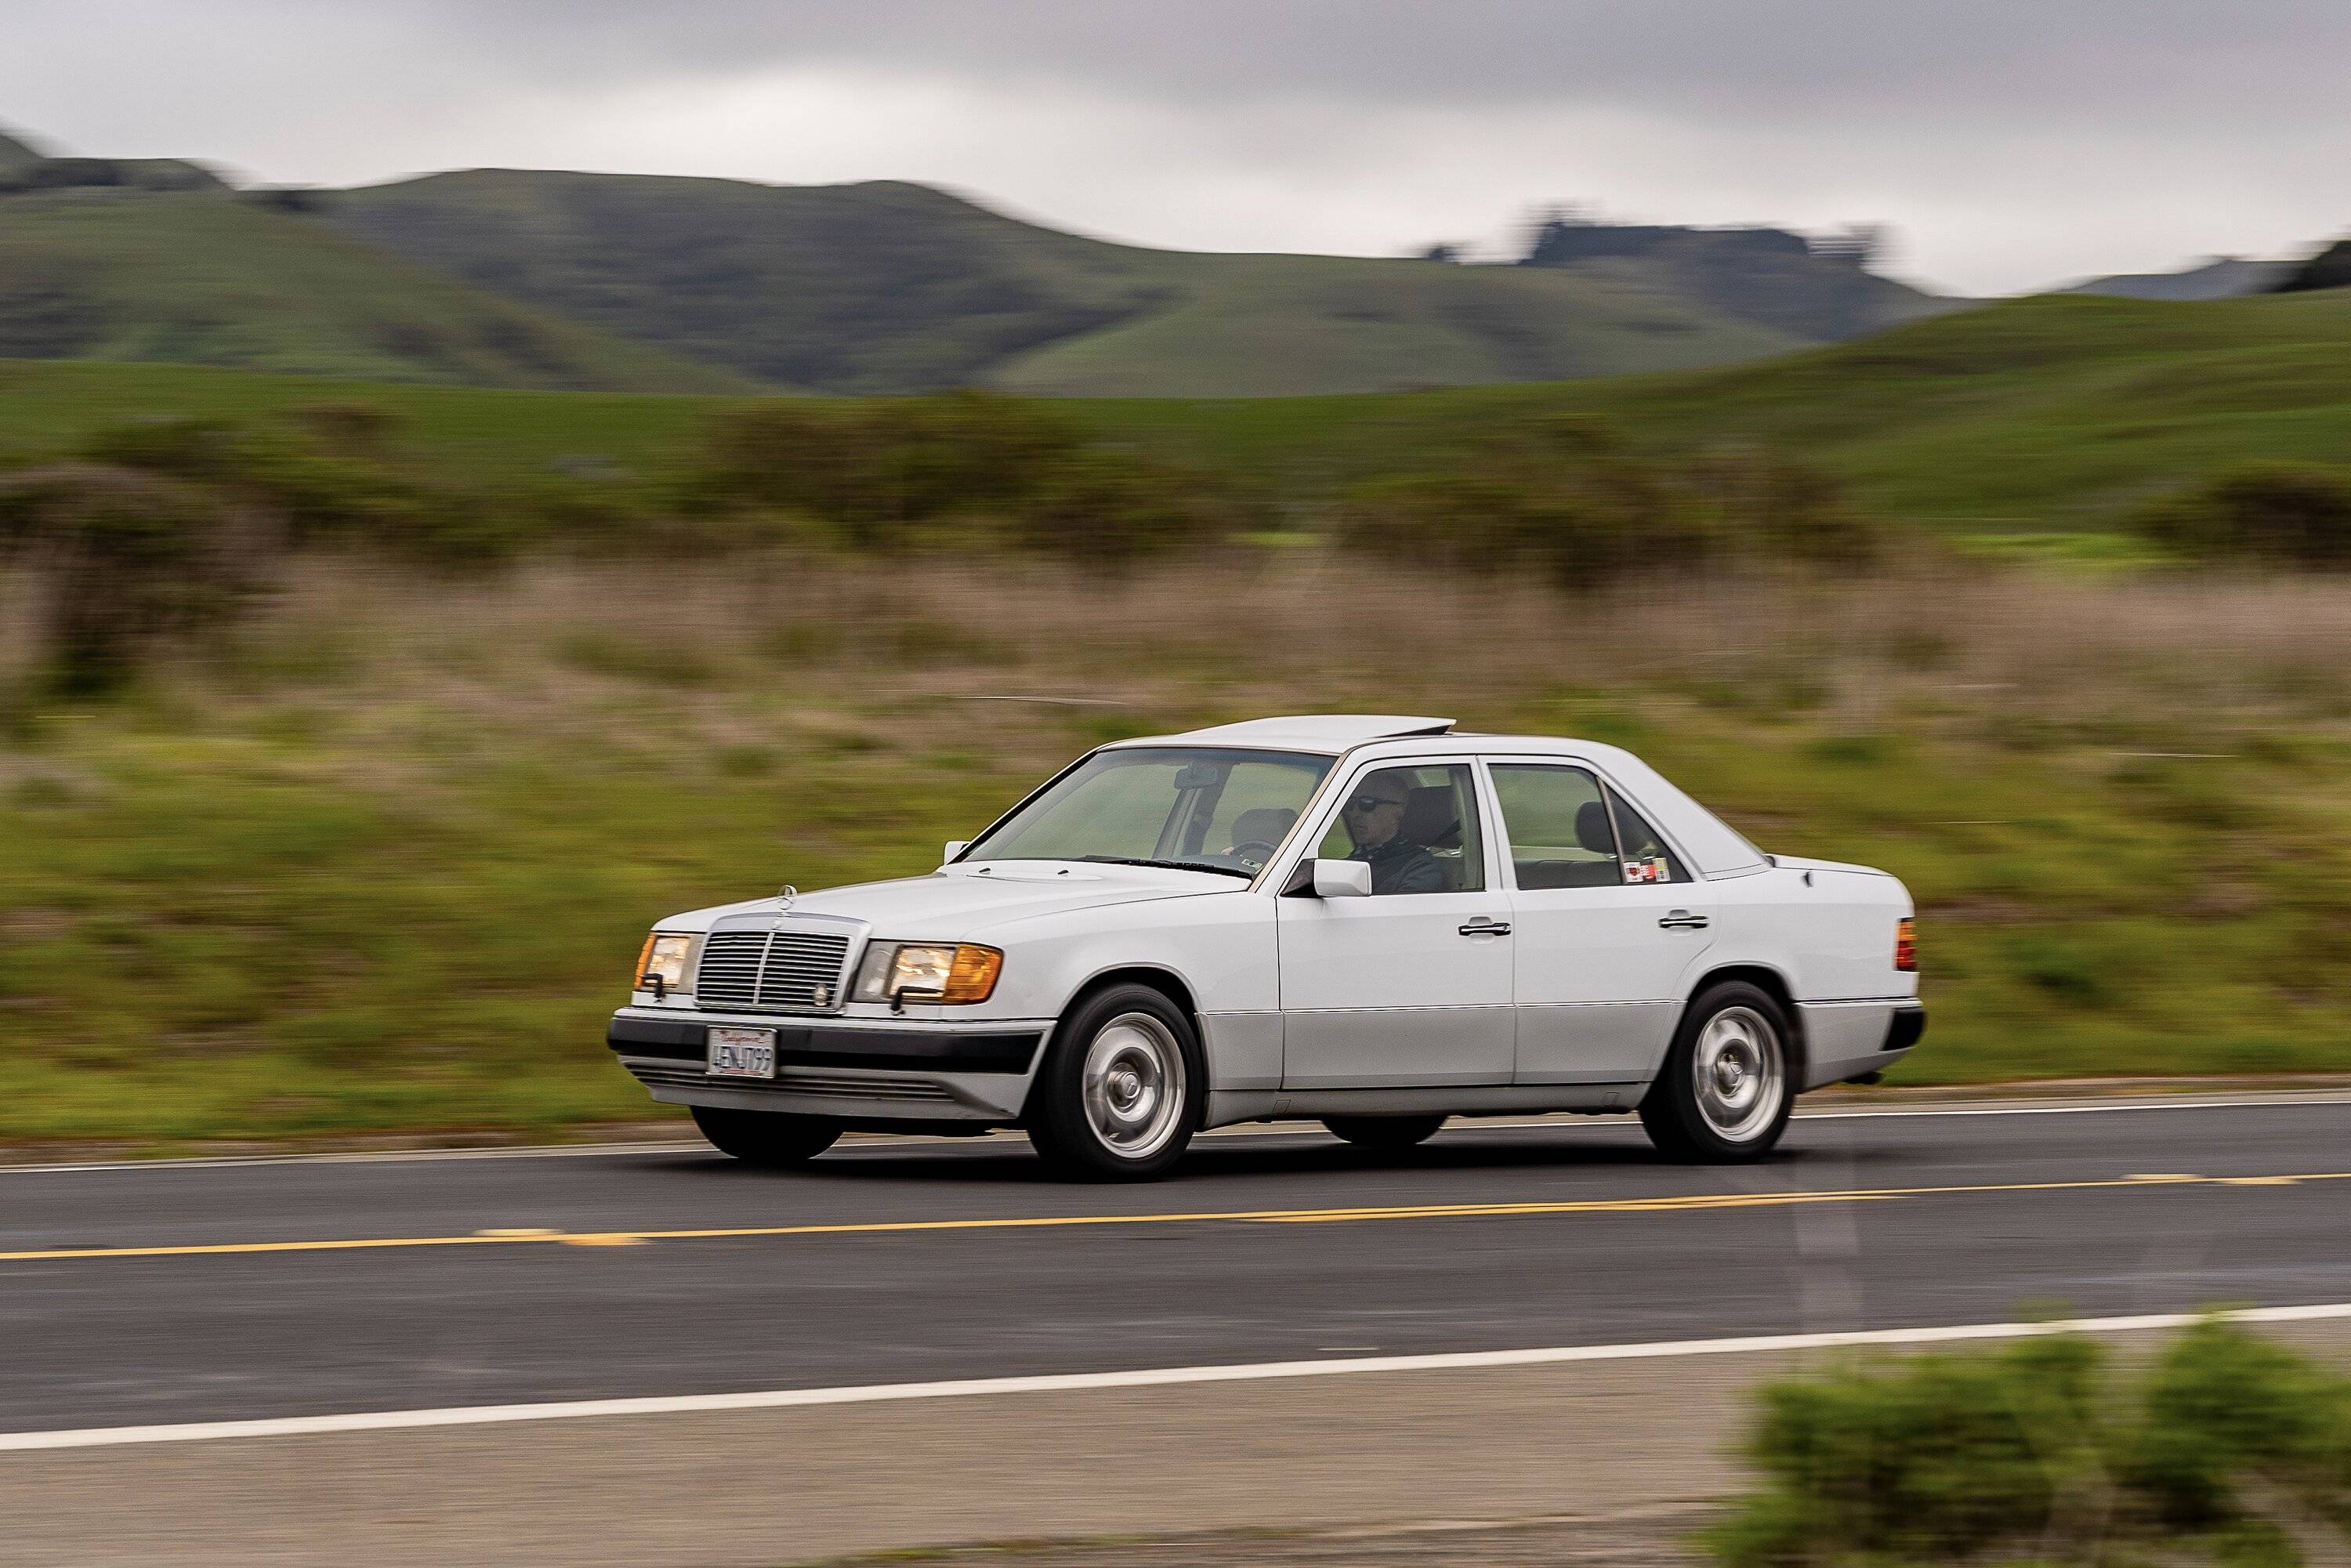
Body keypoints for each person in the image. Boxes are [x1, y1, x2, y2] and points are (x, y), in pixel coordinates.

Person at [1342, 773, 1445, 895]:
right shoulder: (1355, 859)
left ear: (1399, 810)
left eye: (1367, 803)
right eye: (1351, 804)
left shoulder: (1422, 868)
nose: (1355, 814)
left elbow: (1400, 912)